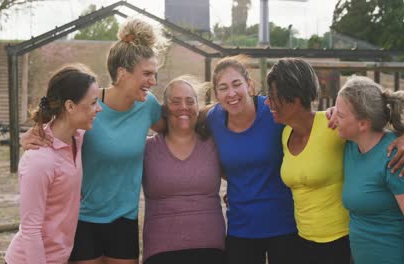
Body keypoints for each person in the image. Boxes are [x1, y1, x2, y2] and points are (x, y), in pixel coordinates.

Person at [21, 18, 166, 264]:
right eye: (147, 74)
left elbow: (178, 126)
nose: (153, 81)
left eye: (155, 74)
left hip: (124, 220)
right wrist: (31, 134)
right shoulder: (87, 107)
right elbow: (53, 125)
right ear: (122, 73)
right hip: (82, 219)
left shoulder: (148, 105)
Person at [264, 58, 404, 264]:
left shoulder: (333, 126)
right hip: (301, 239)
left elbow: (372, 125)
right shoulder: (285, 134)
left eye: (273, 97)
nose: (267, 102)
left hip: (341, 243)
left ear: (295, 98)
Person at [204, 55, 299, 264]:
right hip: (241, 226)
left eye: (237, 84)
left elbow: (307, 124)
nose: (231, 93)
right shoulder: (213, 119)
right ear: (216, 94)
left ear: (250, 85)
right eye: (223, 87)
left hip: (284, 223)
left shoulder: (274, 111)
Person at [5, 64, 102, 264]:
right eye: (93, 103)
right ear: (70, 106)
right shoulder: (39, 161)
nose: (99, 109)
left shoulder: (77, 137)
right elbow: (31, 231)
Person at [337, 76, 404, 264]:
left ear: (363, 123)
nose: (333, 118)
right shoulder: (350, 146)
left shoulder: (397, 157)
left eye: (340, 115)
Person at [142, 77, 225, 264]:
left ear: (198, 106)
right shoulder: (147, 148)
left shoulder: (215, 144)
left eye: (190, 101)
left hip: (211, 249)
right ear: (164, 108)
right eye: (175, 101)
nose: (183, 107)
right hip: (161, 250)